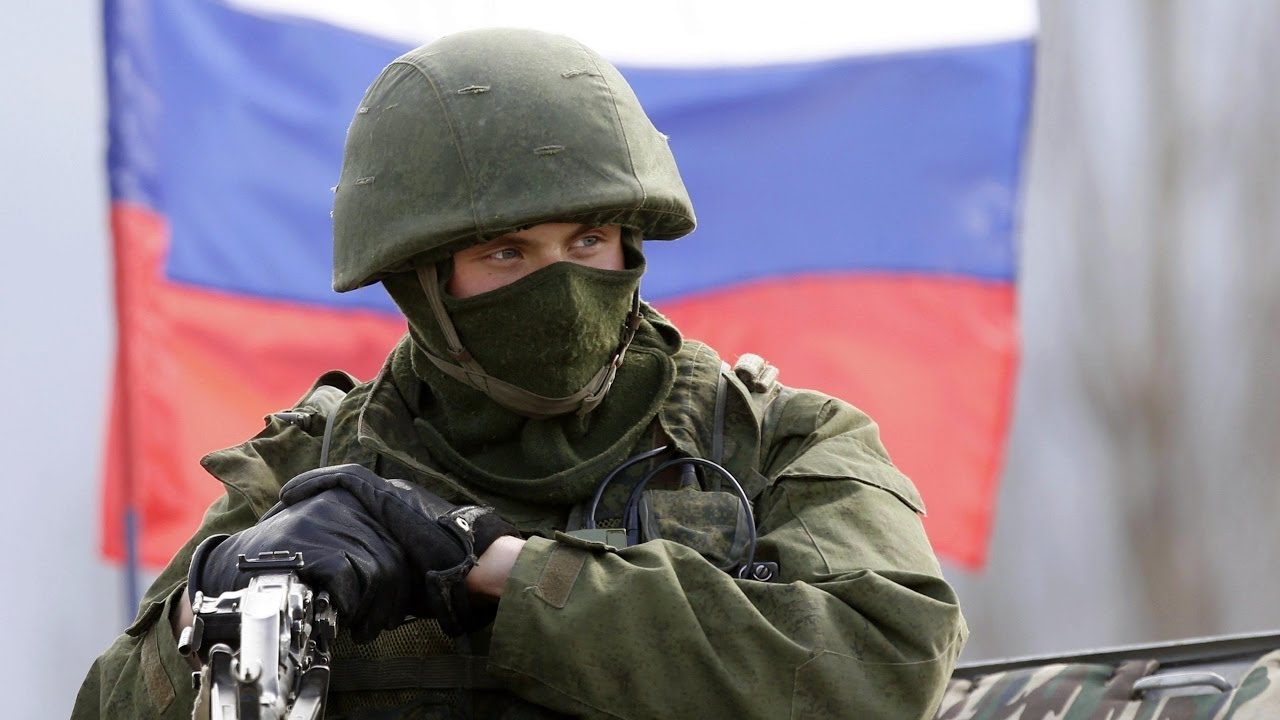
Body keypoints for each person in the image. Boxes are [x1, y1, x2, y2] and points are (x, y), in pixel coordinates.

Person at [73, 28, 966, 719]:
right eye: (507, 252)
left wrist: (494, 567)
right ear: (423, 283)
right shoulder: (309, 472)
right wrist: (216, 604)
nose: (561, 287)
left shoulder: (776, 444)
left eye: (587, 239)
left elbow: (890, 668)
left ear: (630, 245)